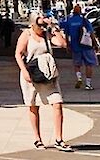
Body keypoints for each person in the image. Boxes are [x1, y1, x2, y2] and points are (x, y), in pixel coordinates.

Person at [16, 11, 72, 152]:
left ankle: (59, 139)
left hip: (48, 74)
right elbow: (18, 53)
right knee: (33, 106)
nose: (42, 28)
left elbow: (62, 44)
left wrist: (53, 27)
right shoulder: (27, 35)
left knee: (57, 103)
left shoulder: (47, 35)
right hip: (32, 74)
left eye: (43, 25)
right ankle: (37, 139)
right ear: (33, 23)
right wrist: (24, 71)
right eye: (40, 25)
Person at [61, 4, 97, 90]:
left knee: (77, 64)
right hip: (86, 46)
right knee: (89, 64)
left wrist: (67, 45)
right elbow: (91, 33)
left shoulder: (69, 21)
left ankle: (79, 78)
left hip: (75, 45)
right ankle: (88, 84)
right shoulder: (84, 20)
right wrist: (95, 43)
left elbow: (66, 34)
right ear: (80, 11)